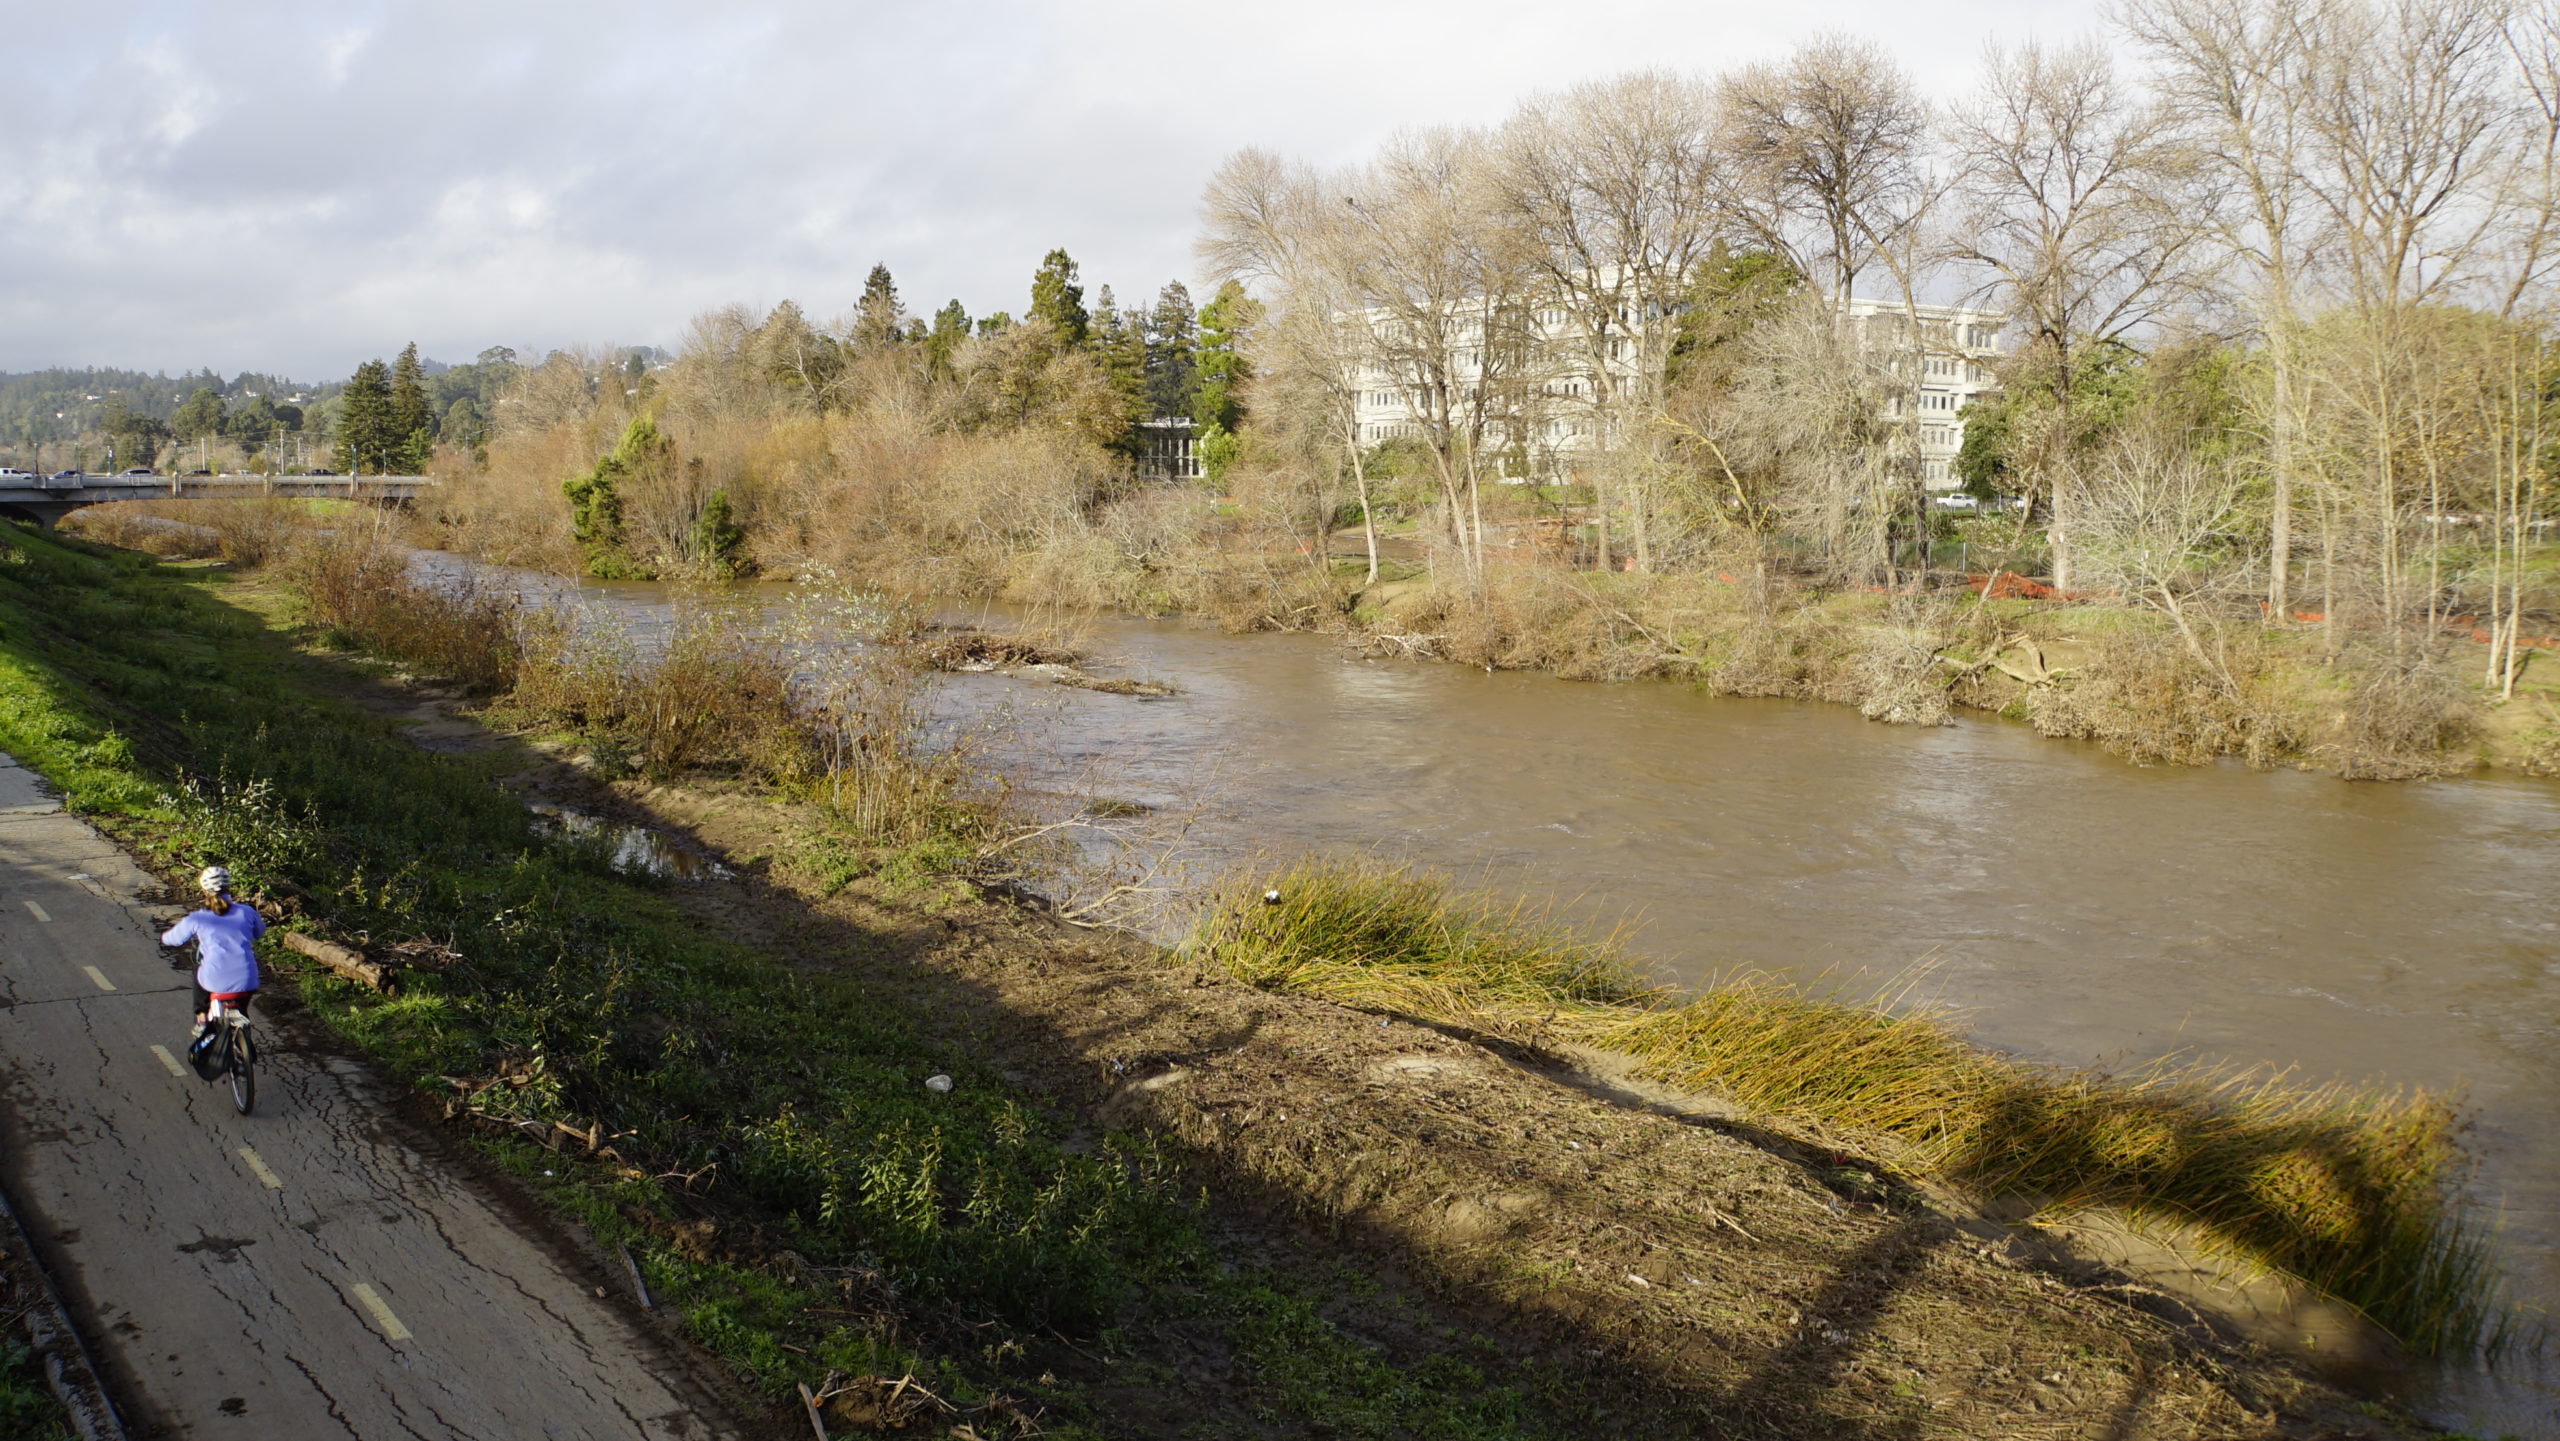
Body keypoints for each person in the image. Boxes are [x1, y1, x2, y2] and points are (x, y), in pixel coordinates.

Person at [160, 866, 264, 1044]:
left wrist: (165, 936)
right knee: (242, 1008)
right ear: (229, 887)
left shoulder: (198, 918)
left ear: (203, 890)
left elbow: (172, 940)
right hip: (247, 979)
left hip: (213, 980)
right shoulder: (247, 912)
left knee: (198, 970)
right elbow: (259, 932)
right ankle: (244, 1045)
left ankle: (202, 1017)